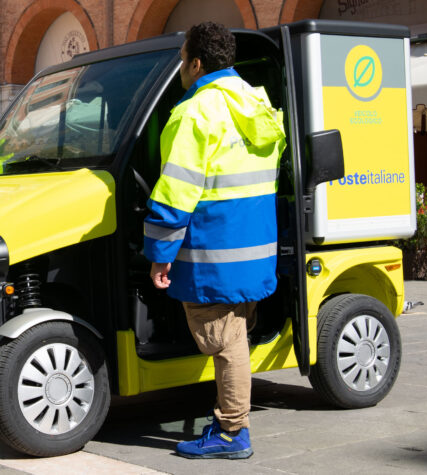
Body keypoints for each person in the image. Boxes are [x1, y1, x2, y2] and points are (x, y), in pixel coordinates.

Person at [143, 22, 286, 459]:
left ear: (197, 62)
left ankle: (231, 432)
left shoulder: (196, 112)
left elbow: (176, 191)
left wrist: (159, 254)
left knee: (224, 342)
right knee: (235, 334)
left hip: (213, 250)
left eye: (183, 59)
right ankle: (231, 423)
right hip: (253, 247)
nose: (182, 68)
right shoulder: (255, 102)